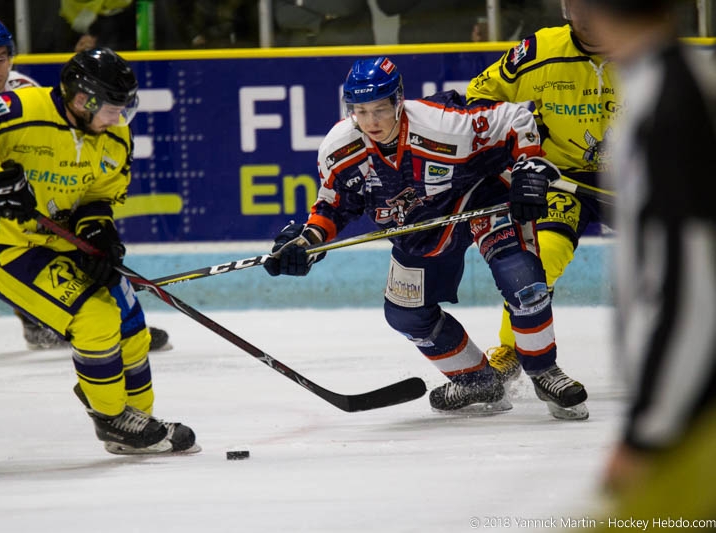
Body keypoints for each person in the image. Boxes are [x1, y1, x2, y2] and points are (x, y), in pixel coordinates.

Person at [263, 56, 586, 419]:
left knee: (521, 278)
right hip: (421, 223)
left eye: (380, 109)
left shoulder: (443, 123)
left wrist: (528, 164)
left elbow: (516, 120)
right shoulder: (339, 150)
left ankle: (544, 371)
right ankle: (478, 381)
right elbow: (336, 204)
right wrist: (307, 242)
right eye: (361, 111)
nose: (371, 121)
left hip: (480, 198)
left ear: (398, 101)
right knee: (405, 313)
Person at [0, 47, 198, 456]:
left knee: (130, 324)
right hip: (6, 248)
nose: (119, 118)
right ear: (84, 98)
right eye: (112, 108)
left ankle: (137, 417)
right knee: (95, 319)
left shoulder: (116, 136)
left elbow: (97, 198)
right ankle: (112, 420)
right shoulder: (21, 106)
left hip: (62, 243)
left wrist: (98, 236)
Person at [0, 19, 170, 352]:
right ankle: (53, 322)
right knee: (10, 255)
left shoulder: (25, 90)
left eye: (1, 58)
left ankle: (108, 325)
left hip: (37, 197)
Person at [580, 0, 716, 521]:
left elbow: (693, 278)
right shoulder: (665, 84)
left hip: (694, 412)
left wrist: (650, 431)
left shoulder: (670, 104)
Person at [465, 0, 621, 420]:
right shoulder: (538, 51)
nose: (587, 13)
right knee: (541, 253)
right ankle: (512, 350)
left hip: (634, 177)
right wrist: (516, 140)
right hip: (559, 178)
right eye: (577, 4)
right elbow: (479, 98)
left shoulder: (646, 51)